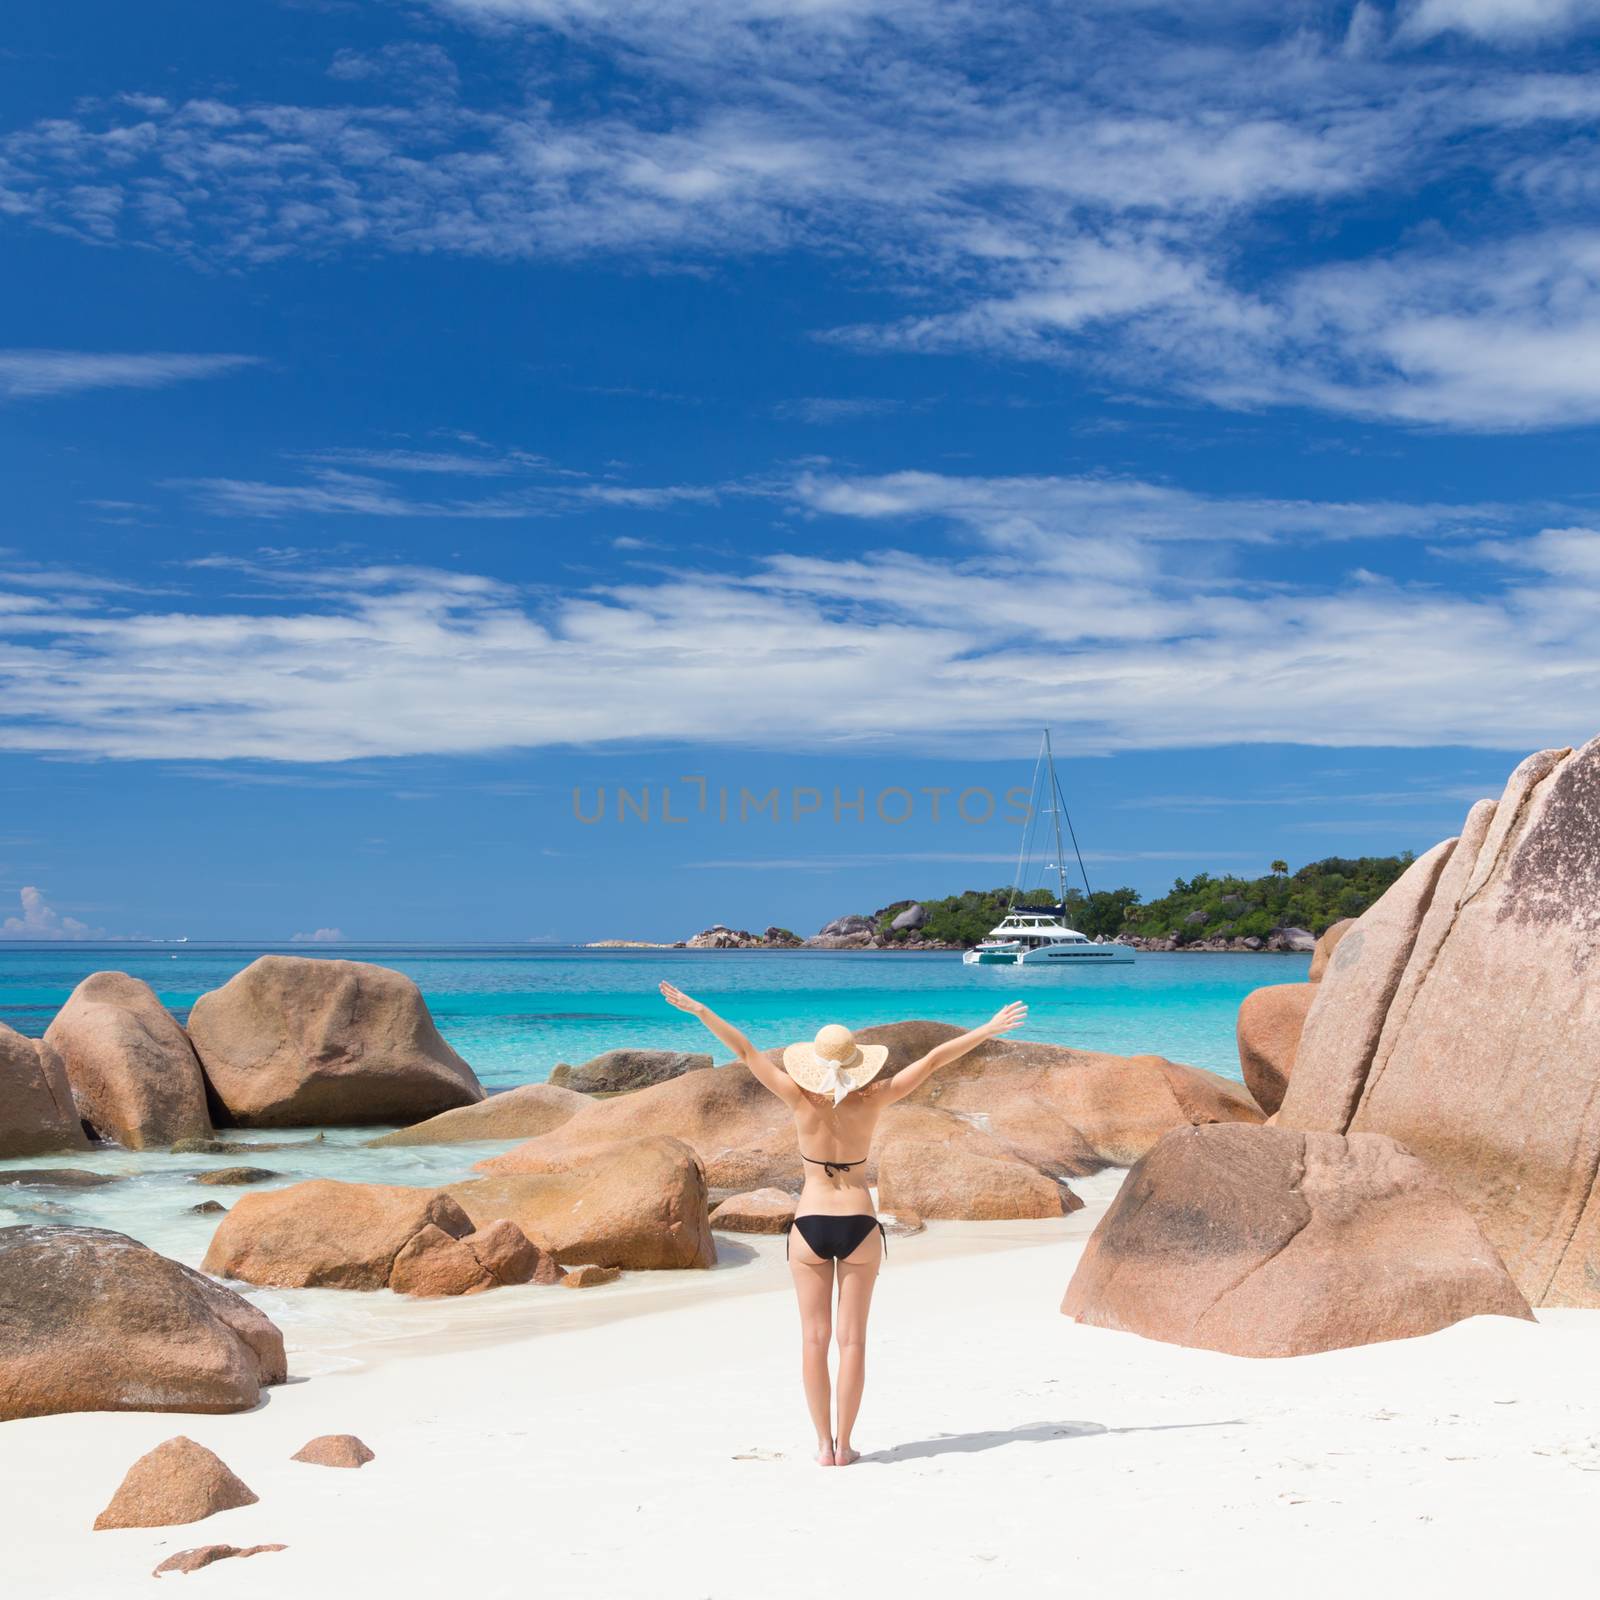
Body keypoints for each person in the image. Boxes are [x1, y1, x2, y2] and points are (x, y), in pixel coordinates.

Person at [659, 982, 1027, 1466]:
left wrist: (701, 1009)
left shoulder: (796, 1098)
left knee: (814, 1339)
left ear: (812, 1063)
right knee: (852, 1341)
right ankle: (847, 1444)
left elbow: (745, 1049)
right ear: (858, 1062)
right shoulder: (874, 1099)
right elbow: (936, 1059)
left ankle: (821, 1446)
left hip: (809, 1225)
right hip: (860, 1224)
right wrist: (988, 1028)